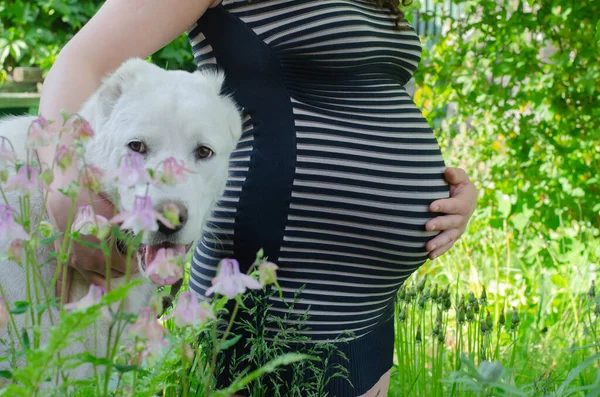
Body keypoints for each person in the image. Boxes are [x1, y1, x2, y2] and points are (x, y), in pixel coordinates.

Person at [37, 1, 478, 396]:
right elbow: (82, 61)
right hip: (275, 276)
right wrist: (66, 194)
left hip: (370, 307)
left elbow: (372, 95)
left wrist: (446, 192)